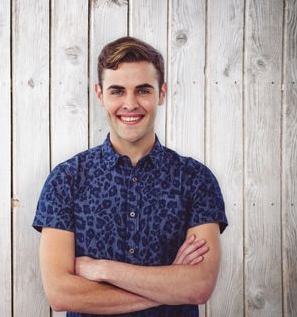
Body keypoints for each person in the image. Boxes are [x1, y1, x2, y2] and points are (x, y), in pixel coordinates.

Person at [32, 36, 228, 316]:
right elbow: (61, 294)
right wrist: (171, 284)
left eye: (143, 90)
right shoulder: (66, 180)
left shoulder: (196, 179)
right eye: (117, 91)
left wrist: (101, 269)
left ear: (161, 93)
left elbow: (198, 287)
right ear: (100, 94)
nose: (130, 104)